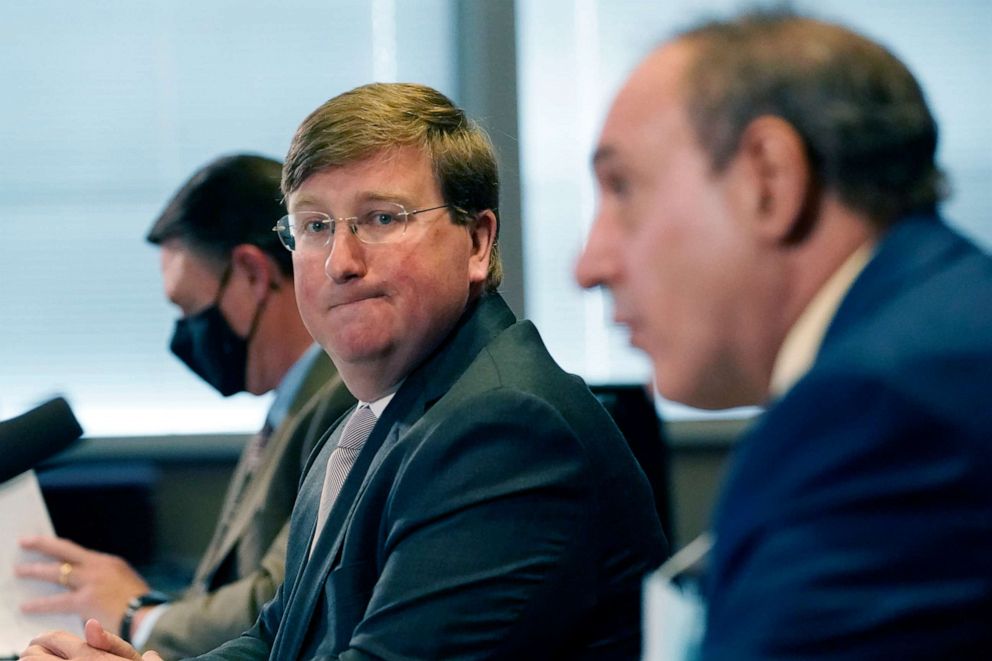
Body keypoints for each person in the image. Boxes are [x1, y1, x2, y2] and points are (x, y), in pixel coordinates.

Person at [23, 83, 667, 661]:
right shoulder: (366, 421)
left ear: (477, 243)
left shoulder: (503, 428)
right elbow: (277, 639)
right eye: (315, 226)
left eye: (383, 219)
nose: (340, 262)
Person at [575, 8, 992, 659]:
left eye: (622, 187)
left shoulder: (877, 412)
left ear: (768, 180)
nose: (588, 266)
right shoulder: (942, 329)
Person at [17, 154, 355, 659]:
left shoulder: (344, 401)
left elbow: (286, 600)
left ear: (252, 274)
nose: (186, 337)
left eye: (190, 310)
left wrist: (138, 614)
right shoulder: (289, 399)